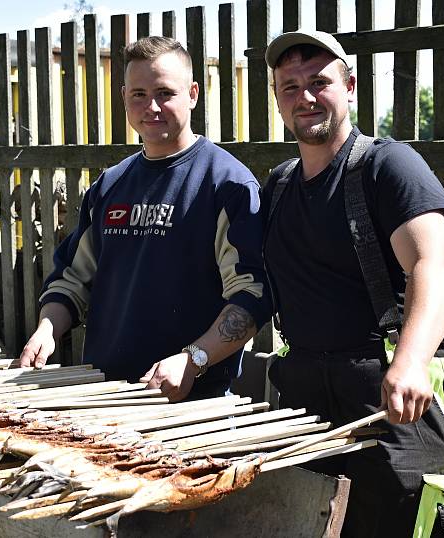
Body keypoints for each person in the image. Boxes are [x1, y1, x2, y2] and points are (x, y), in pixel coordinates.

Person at [262, 30, 444, 537]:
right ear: (278, 100)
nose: (305, 96)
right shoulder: (280, 186)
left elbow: (433, 267)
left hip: (392, 400)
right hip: (306, 402)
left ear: (349, 86)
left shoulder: (388, 166)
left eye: (319, 82)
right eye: (290, 86)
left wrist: (411, 360)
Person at [19, 36, 270, 402]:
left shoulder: (227, 184)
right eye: (139, 94)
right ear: (123, 98)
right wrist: (46, 329)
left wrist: (193, 359)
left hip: (192, 405)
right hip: (102, 397)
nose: (151, 106)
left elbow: (251, 296)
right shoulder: (110, 185)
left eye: (165, 93)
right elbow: (70, 281)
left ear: (193, 94)